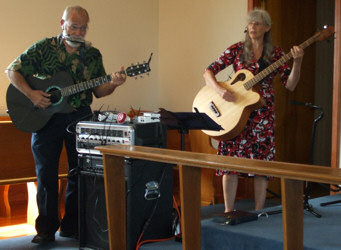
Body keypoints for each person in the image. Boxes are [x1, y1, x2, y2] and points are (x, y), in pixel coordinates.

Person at [5, 6, 126, 243]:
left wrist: (114, 83)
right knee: (46, 173)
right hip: (44, 118)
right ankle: (46, 229)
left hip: (79, 116)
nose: (79, 32)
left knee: (80, 172)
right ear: (62, 23)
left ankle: (73, 226)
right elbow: (12, 71)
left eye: (83, 28)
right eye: (74, 26)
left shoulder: (92, 55)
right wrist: (32, 95)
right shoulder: (44, 48)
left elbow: (99, 91)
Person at [203, 8, 304, 213]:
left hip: (262, 117)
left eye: (257, 23)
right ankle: (228, 211)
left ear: (267, 28)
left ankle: (259, 212)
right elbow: (208, 72)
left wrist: (298, 62)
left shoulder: (276, 54)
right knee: (230, 164)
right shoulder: (237, 50)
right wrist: (220, 90)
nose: (252, 27)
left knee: (261, 166)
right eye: (250, 23)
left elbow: (290, 85)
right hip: (234, 112)